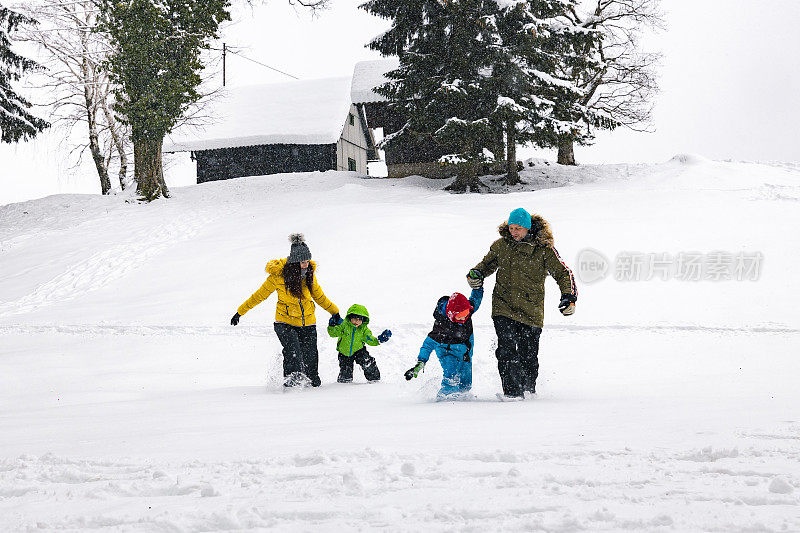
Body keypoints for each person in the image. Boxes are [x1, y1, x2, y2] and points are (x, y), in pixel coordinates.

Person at [467, 208, 577, 400]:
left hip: (531, 310)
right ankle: (512, 393)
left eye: (518, 228)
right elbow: (484, 266)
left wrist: (568, 296)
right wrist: (474, 275)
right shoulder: (501, 246)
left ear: (528, 228)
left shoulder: (543, 249)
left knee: (528, 354)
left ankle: (528, 390)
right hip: (503, 306)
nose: (514, 232)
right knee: (506, 349)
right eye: (511, 227)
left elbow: (562, 272)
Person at [230, 234, 340, 388]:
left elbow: (319, 296)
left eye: (308, 261)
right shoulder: (278, 276)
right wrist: (239, 312)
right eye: (303, 262)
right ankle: (291, 384)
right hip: (285, 323)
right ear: (295, 262)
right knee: (293, 352)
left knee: (310, 356)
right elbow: (259, 296)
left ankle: (311, 383)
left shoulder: (309, 274)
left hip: (308, 322)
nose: (306, 264)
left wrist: (335, 312)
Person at [404, 287, 484, 400]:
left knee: (466, 382)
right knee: (451, 372)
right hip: (447, 351)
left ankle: (463, 398)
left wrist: (478, 287)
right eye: (460, 315)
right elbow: (427, 345)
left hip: (465, 351)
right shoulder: (441, 327)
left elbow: (475, 299)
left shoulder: (467, 311)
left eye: (466, 313)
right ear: (451, 315)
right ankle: (445, 399)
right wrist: (420, 362)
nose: (465, 317)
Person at [327, 304, 392, 383]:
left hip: (359, 350)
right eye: (354, 318)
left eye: (359, 319)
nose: (356, 322)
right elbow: (333, 333)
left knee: (367, 361)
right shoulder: (344, 325)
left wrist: (378, 340)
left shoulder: (363, 329)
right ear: (350, 317)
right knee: (346, 370)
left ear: (363, 320)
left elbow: (369, 339)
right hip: (344, 352)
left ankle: (374, 379)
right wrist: (331, 326)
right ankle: (344, 383)